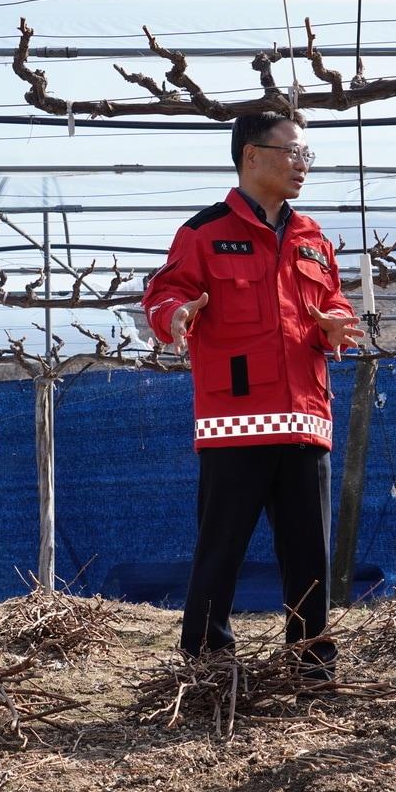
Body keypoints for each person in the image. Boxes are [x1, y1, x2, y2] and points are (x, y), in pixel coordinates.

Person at [142, 111, 364, 676]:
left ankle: (312, 661)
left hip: (306, 417)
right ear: (251, 156)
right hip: (234, 419)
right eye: (293, 152)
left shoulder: (313, 238)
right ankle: (208, 659)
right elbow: (163, 295)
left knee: (309, 553)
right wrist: (177, 316)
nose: (302, 164)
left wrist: (336, 321)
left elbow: (331, 302)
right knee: (222, 547)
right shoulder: (204, 232)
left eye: (306, 154)